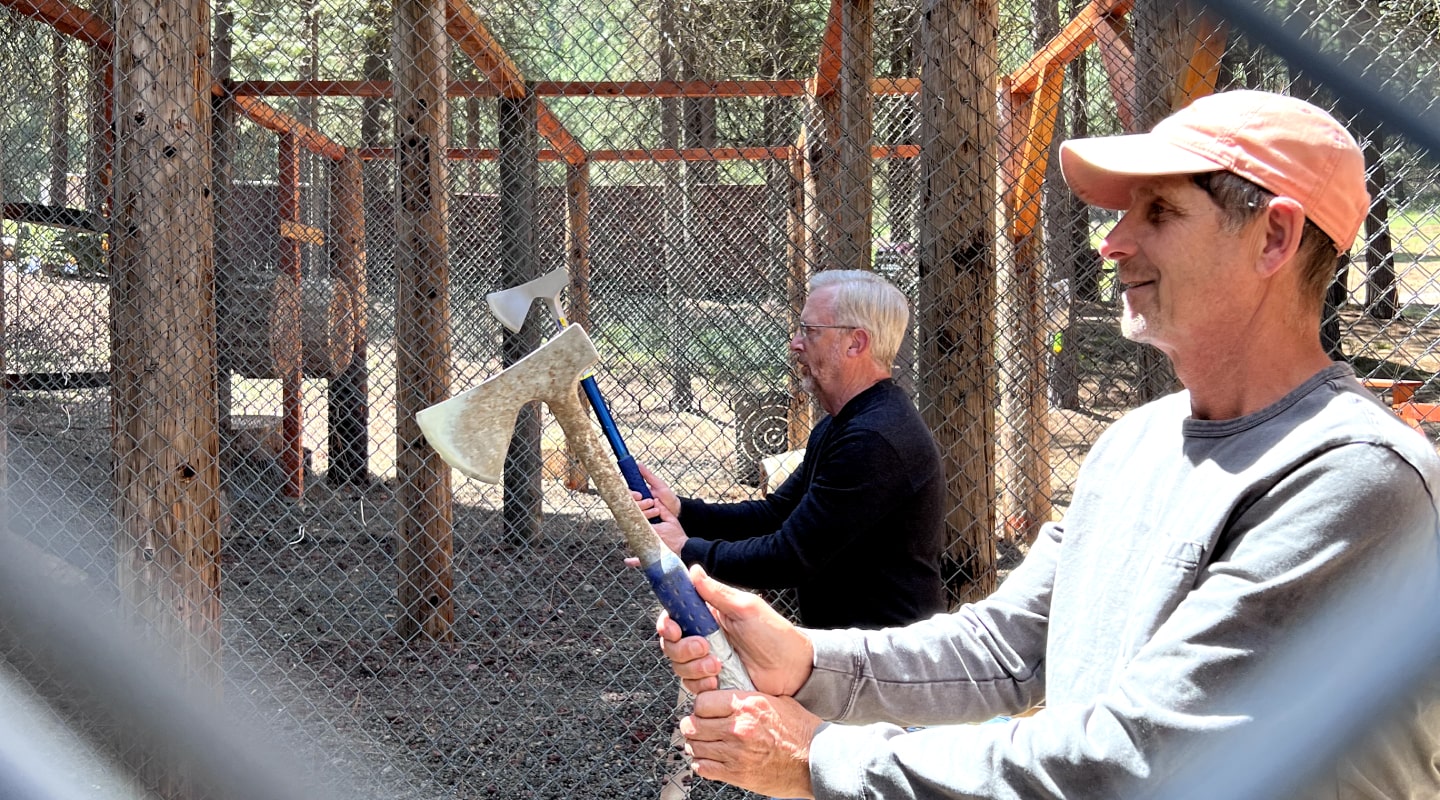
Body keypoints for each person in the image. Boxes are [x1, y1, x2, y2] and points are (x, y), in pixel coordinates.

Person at [653, 89, 1440, 799]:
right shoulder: (1133, 445)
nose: (1112, 242)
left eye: (1158, 212)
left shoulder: (1354, 478)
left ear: (1274, 236)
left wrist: (823, 759)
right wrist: (808, 662)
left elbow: (1133, 757)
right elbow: (1009, 645)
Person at [635, 268, 947, 631]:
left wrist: (686, 550)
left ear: (855, 343)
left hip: (888, 661)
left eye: (810, 331)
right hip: (859, 650)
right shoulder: (844, 423)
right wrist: (683, 510)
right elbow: (777, 514)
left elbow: (790, 556)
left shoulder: (873, 439)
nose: (795, 343)